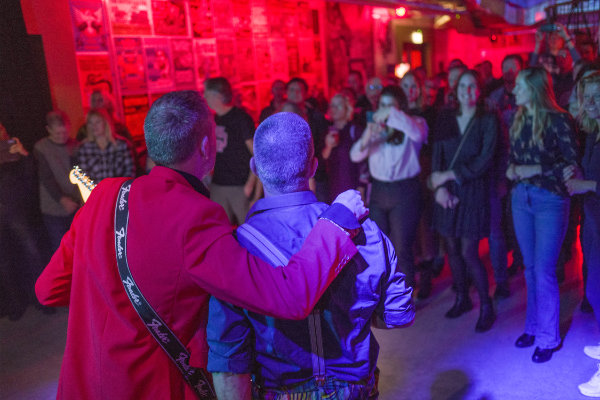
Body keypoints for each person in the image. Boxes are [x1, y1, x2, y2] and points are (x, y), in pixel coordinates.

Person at [35, 90, 365, 399]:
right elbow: (290, 295)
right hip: (151, 388)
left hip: (81, 387)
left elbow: (48, 289)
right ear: (207, 147)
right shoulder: (196, 217)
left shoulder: (104, 196)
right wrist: (334, 223)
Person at [207, 112, 415, 399]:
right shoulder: (363, 229)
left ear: (255, 167)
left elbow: (229, 362)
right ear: (314, 166)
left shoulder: (235, 249)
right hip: (357, 389)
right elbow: (397, 314)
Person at [507, 67, 578, 363]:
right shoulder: (519, 118)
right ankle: (534, 327)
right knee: (530, 268)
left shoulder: (560, 119)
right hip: (521, 197)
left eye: (519, 86)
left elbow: (571, 165)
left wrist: (534, 170)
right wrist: (512, 169)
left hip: (549, 199)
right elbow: (512, 158)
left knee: (544, 269)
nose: (513, 91)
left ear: (534, 89)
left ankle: (548, 337)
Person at [429, 70, 498, 332]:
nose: (467, 91)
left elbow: (484, 160)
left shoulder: (487, 120)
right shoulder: (445, 117)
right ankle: (462, 297)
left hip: (473, 192)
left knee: (469, 252)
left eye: (473, 86)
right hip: (446, 193)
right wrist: (438, 188)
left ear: (479, 91)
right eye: (463, 86)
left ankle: (486, 305)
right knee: (452, 251)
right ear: (456, 90)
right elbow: (437, 156)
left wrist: (449, 175)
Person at [350, 85, 427, 293]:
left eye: (390, 106)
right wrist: (369, 131)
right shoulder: (377, 131)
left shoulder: (415, 124)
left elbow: (418, 135)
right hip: (380, 192)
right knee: (379, 247)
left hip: (405, 191)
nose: (384, 110)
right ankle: (385, 294)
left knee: (402, 247)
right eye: (381, 105)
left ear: (399, 108)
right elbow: (356, 155)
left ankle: (406, 296)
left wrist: (391, 114)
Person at [563, 72, 600, 396]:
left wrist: (584, 184)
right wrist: (576, 173)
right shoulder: (592, 133)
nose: (589, 102)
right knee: (595, 287)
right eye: (586, 96)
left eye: (597, 95)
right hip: (593, 219)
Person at [486, 54, 525, 297]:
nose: (509, 72)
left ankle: (520, 259)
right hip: (499, 168)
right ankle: (505, 273)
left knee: (517, 220)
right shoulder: (494, 99)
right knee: (499, 223)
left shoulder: (526, 97)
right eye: (505, 68)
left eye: (513, 68)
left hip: (523, 167)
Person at [0, 123, 43, 320]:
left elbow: (31, 176)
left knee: (31, 253)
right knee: (5, 262)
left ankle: (40, 298)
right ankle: (16, 304)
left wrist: (24, 153)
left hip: (17, 211)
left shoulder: (12, 150)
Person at [204, 77, 261, 224]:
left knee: (248, 229)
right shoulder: (214, 119)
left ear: (218, 95)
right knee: (220, 230)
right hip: (218, 185)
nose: (205, 97)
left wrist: (251, 183)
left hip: (239, 186)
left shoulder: (241, 118)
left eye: (207, 93)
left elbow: (257, 153)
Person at [33, 110, 81, 254]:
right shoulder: (41, 148)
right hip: (53, 208)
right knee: (61, 250)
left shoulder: (75, 145)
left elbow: (80, 174)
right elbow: (46, 178)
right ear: (48, 130)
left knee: (79, 247)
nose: (61, 137)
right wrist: (63, 200)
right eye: (57, 134)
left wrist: (77, 200)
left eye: (64, 133)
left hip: (75, 205)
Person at [286, 77, 329, 202]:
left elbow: (321, 144)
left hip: (315, 172)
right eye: (292, 89)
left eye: (299, 90)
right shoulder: (279, 115)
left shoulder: (316, 116)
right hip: (290, 176)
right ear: (287, 93)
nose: (296, 93)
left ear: (306, 93)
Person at [75, 108, 136, 182]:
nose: (94, 126)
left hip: (119, 190)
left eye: (97, 122)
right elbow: (83, 177)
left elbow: (130, 172)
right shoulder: (84, 149)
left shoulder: (121, 145)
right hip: (96, 191)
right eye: (90, 123)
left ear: (105, 123)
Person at [322, 92, 363, 202]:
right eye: (332, 105)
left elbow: (362, 163)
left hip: (351, 187)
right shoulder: (327, 130)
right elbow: (322, 162)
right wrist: (328, 147)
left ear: (347, 108)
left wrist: (361, 188)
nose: (334, 109)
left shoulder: (354, 130)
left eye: (338, 105)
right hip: (333, 188)